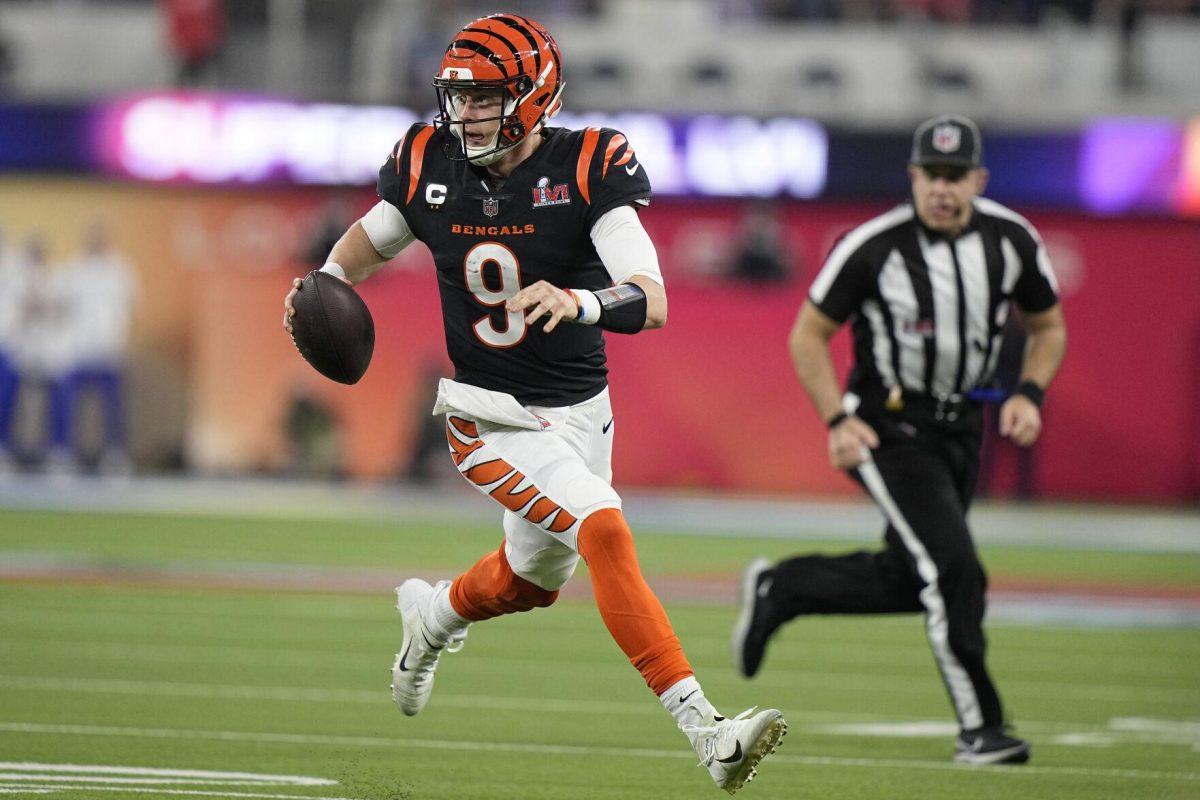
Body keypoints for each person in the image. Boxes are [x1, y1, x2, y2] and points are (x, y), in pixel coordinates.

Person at [283, 14, 786, 794]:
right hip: (488, 415)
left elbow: (650, 299)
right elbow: (366, 243)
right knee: (604, 530)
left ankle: (432, 620)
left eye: (485, 97)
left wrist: (582, 301)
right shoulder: (426, 160)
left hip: (583, 410)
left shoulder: (589, 163)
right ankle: (708, 730)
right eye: (459, 97)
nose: (467, 113)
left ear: (533, 94)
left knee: (530, 581)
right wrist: (323, 286)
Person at [730, 115, 1066, 766]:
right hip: (889, 425)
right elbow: (807, 334)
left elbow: (1048, 326)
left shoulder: (1010, 239)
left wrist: (1029, 393)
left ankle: (785, 587)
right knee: (954, 570)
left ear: (979, 179)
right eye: (932, 176)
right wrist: (837, 419)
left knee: (915, 575)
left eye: (955, 176)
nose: (943, 189)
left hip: (964, 425)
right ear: (913, 177)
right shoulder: (873, 245)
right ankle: (982, 729)